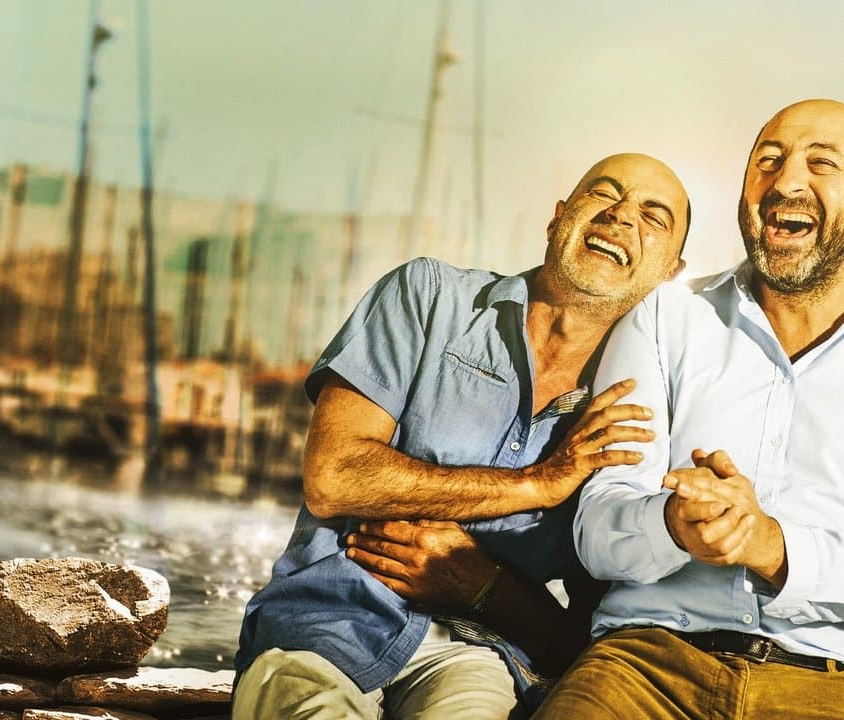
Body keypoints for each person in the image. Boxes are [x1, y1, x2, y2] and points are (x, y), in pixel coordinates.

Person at [536, 100, 844, 719]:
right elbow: (597, 528)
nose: (785, 181)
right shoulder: (663, 318)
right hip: (641, 667)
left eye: (820, 163)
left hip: (830, 687)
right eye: (767, 160)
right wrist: (673, 525)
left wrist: (768, 543)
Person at [231, 153, 692, 719]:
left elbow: (587, 638)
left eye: (654, 216)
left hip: (480, 659)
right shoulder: (426, 296)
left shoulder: (636, 413)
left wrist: (485, 587)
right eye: (604, 193)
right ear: (558, 219)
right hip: (322, 630)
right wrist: (537, 484)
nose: (621, 215)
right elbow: (334, 477)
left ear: (671, 273)